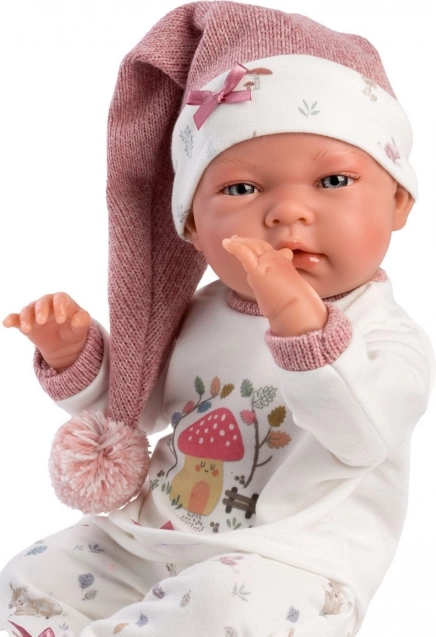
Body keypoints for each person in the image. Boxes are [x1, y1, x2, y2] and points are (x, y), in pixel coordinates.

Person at [0, 2, 434, 636]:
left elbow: (364, 432)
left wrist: (300, 322)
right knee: (31, 575)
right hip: (151, 537)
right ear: (193, 229)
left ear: (398, 200)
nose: (288, 213)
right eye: (241, 189)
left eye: (333, 180)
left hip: (287, 564)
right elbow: (139, 405)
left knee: (221, 608)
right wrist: (74, 354)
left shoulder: (385, 334)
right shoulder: (199, 315)